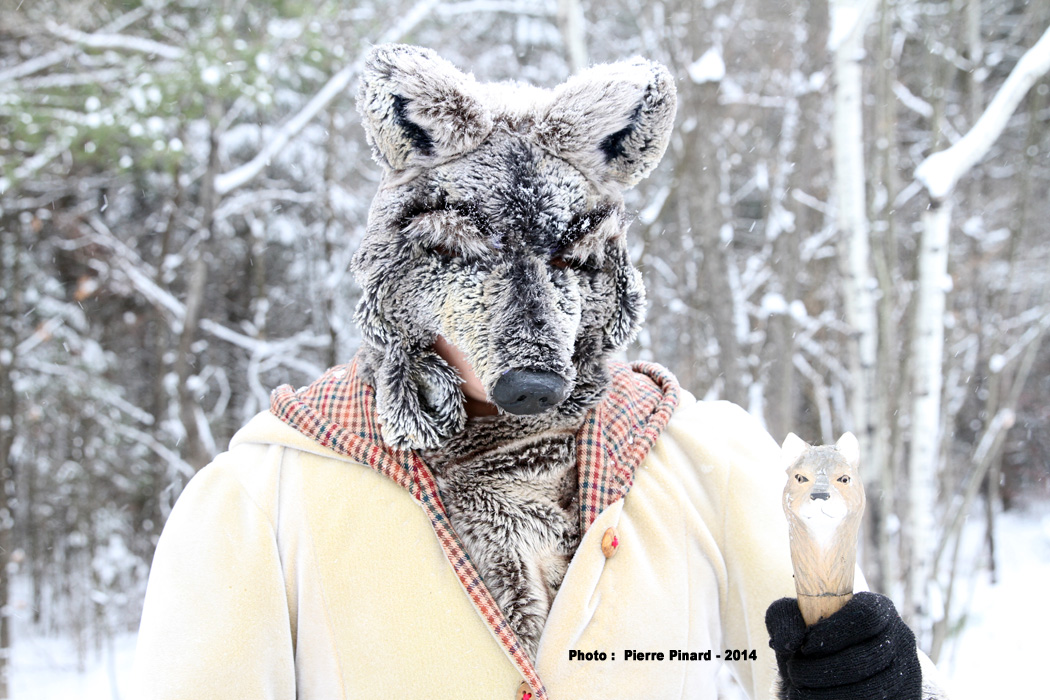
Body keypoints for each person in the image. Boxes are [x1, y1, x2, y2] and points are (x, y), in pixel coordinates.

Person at [134, 44, 948, 699]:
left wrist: (879, 683)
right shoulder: (261, 502)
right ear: (400, 269)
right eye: (467, 255)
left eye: (563, 260)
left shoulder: (710, 463)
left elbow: (825, 659)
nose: (531, 318)